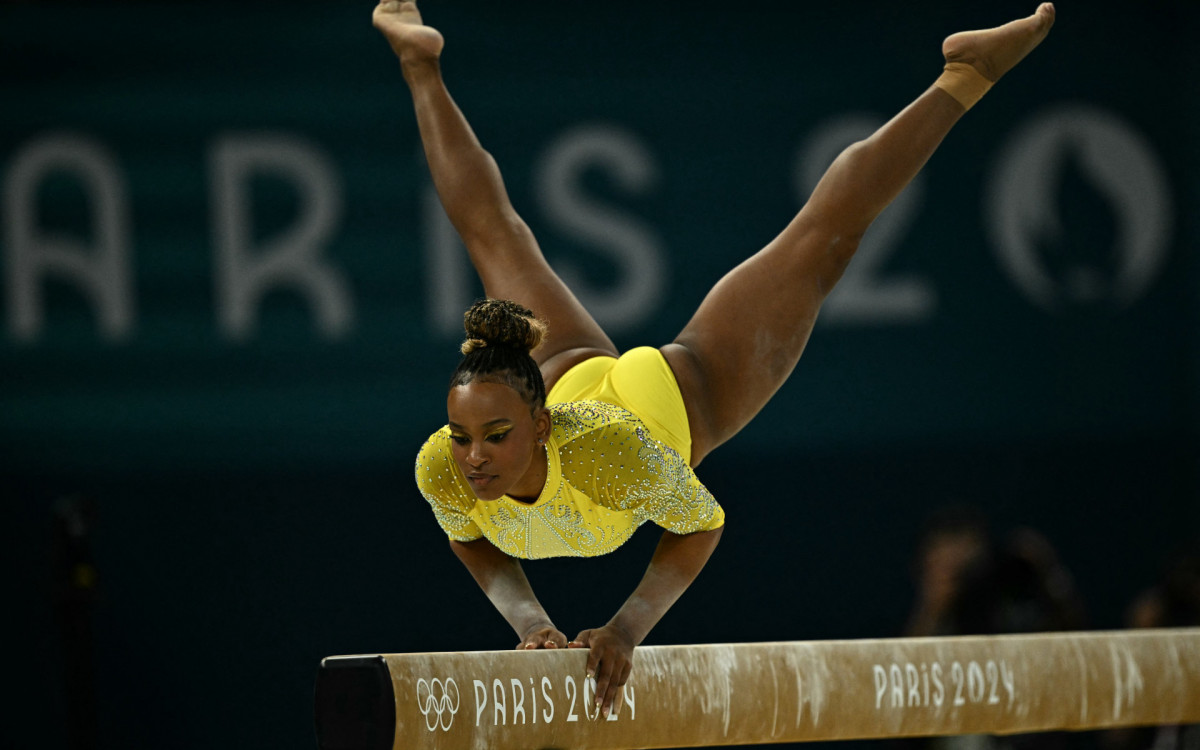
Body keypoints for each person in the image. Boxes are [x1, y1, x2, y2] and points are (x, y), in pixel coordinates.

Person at [372, 0, 1056, 717]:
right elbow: (471, 541)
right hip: (568, 373)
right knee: (490, 233)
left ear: (541, 425)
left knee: (820, 242)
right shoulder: (441, 466)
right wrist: (532, 626)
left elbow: (700, 524)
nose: (473, 457)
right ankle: (419, 64)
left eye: (495, 436)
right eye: (462, 435)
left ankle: (965, 75)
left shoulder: (607, 455)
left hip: (663, 398)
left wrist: (626, 629)